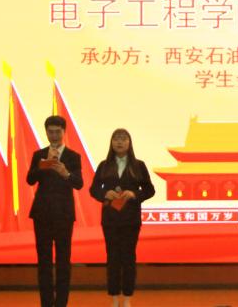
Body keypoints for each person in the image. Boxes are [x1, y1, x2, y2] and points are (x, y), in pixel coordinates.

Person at [89, 128, 155, 307]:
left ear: (129, 143)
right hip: (110, 219)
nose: (119, 142)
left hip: (130, 219)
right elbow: (93, 189)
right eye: (116, 139)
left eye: (123, 139)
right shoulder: (104, 165)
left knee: (128, 258)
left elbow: (150, 190)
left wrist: (134, 194)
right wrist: (105, 193)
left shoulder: (138, 165)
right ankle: (114, 297)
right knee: (112, 258)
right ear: (111, 143)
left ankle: (127, 298)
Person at [26, 115, 84, 307]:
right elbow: (30, 180)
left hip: (64, 215)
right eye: (50, 132)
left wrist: (65, 173)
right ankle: (46, 303)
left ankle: (61, 303)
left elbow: (79, 183)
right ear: (46, 132)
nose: (54, 135)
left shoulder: (73, 156)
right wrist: (43, 166)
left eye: (57, 132)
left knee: (63, 261)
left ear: (64, 132)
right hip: (42, 213)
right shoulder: (39, 154)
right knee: (43, 261)